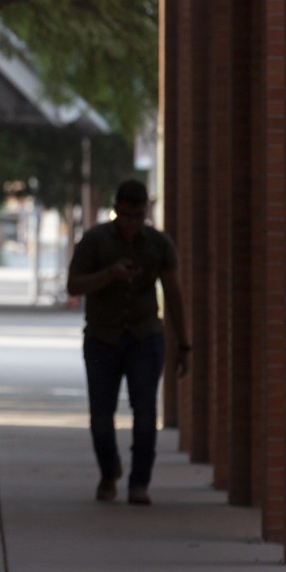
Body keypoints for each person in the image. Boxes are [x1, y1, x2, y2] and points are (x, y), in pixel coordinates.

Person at [66, 179, 189, 506]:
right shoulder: (95, 241)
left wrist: (184, 343)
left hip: (145, 336)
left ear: (145, 212)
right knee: (101, 416)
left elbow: (174, 293)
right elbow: (73, 285)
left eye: (137, 215)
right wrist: (109, 274)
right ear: (116, 210)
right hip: (102, 339)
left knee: (146, 413)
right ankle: (109, 472)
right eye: (125, 215)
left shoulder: (159, 244)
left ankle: (139, 483)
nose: (131, 222)